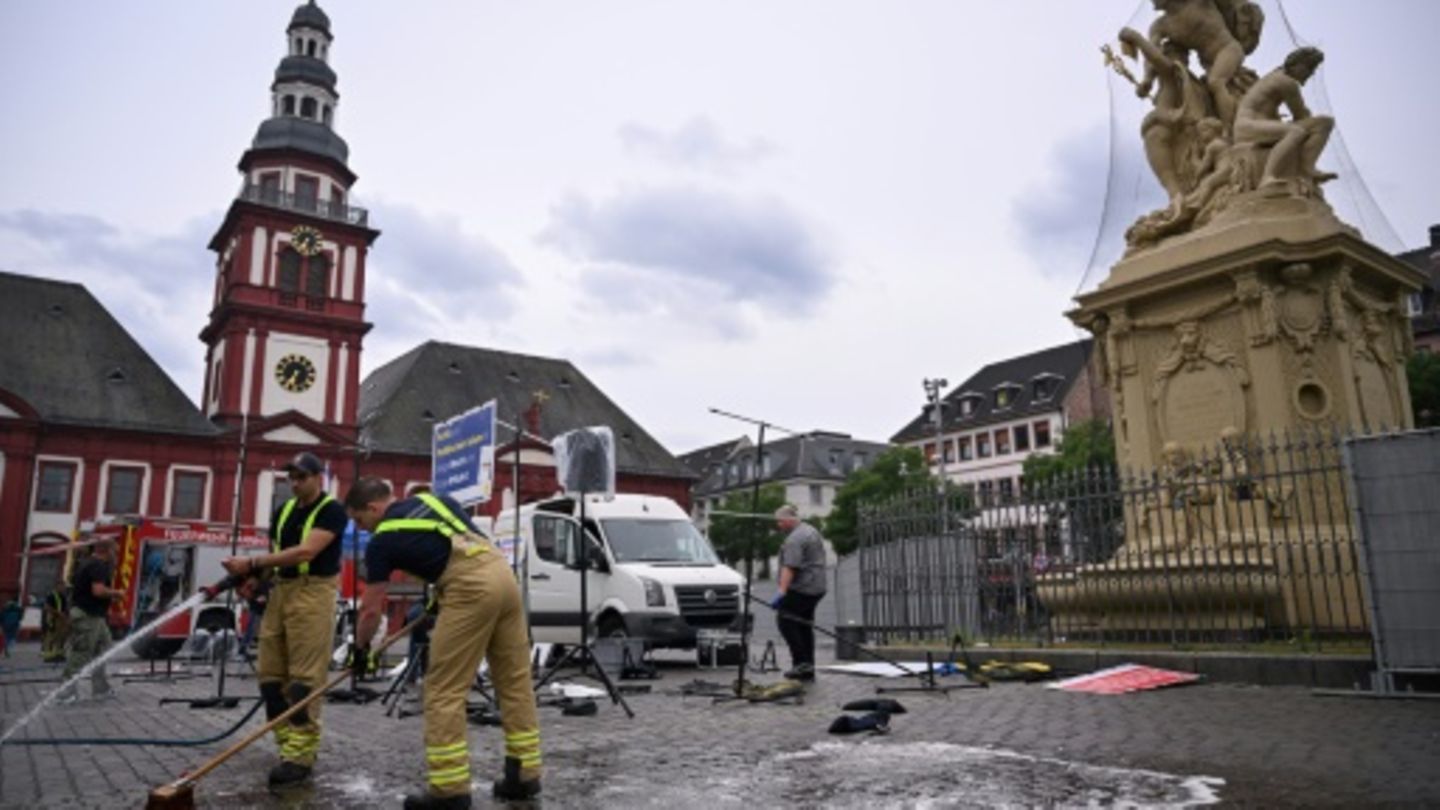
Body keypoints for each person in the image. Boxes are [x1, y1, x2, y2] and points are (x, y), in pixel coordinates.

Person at [345, 477, 542, 809]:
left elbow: (370, 610)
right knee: (514, 682)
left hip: (469, 588)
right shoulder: (440, 501)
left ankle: (449, 790)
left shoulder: (382, 541)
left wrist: (361, 651)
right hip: (503, 577)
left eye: (360, 520)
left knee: (443, 689)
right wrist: (440, 595)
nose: (362, 529)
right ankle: (523, 775)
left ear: (373, 507)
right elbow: (458, 546)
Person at [221, 451, 347, 788]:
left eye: (301, 477)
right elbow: (277, 558)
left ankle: (300, 756)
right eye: (290, 477)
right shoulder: (282, 511)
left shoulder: (332, 510)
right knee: (270, 677)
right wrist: (255, 579)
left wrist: (252, 562)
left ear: (319, 477)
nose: (294, 483)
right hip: (281, 591)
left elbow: (307, 551)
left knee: (304, 678)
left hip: (313, 593)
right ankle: (285, 745)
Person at [1233, 46, 1335, 189]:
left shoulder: (1277, 75)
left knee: (1325, 123)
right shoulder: (1286, 82)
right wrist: (1306, 120)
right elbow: (1300, 114)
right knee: (1295, 132)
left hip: (1260, 125)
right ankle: (1268, 177)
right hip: (1247, 126)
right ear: (1297, 64)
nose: (1311, 73)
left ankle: (1307, 169)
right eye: (1309, 68)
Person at [56, 539, 123, 702]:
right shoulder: (98, 565)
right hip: (87, 616)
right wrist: (116, 593)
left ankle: (100, 688)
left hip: (95, 616)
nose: (116, 556)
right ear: (106, 550)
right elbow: (98, 591)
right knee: (82, 652)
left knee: (104, 649)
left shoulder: (88, 563)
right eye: (115, 551)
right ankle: (67, 692)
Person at [770, 504, 829, 681]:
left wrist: (781, 591)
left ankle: (800, 663)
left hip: (803, 587)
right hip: (817, 586)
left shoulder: (794, 539)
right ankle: (808, 666)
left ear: (789, 520)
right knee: (804, 625)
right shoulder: (810, 530)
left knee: (785, 620)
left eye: (780, 521)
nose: (778, 525)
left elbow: (790, 567)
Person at [41, 583, 71, 663]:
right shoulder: (51, 596)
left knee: (61, 637)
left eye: (64, 587)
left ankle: (59, 654)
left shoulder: (63, 597)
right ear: (57, 587)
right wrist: (58, 613)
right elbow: (47, 607)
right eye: (62, 587)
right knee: (51, 637)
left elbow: (65, 608)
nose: (63, 588)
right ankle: (48, 656)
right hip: (53, 619)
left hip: (62, 620)